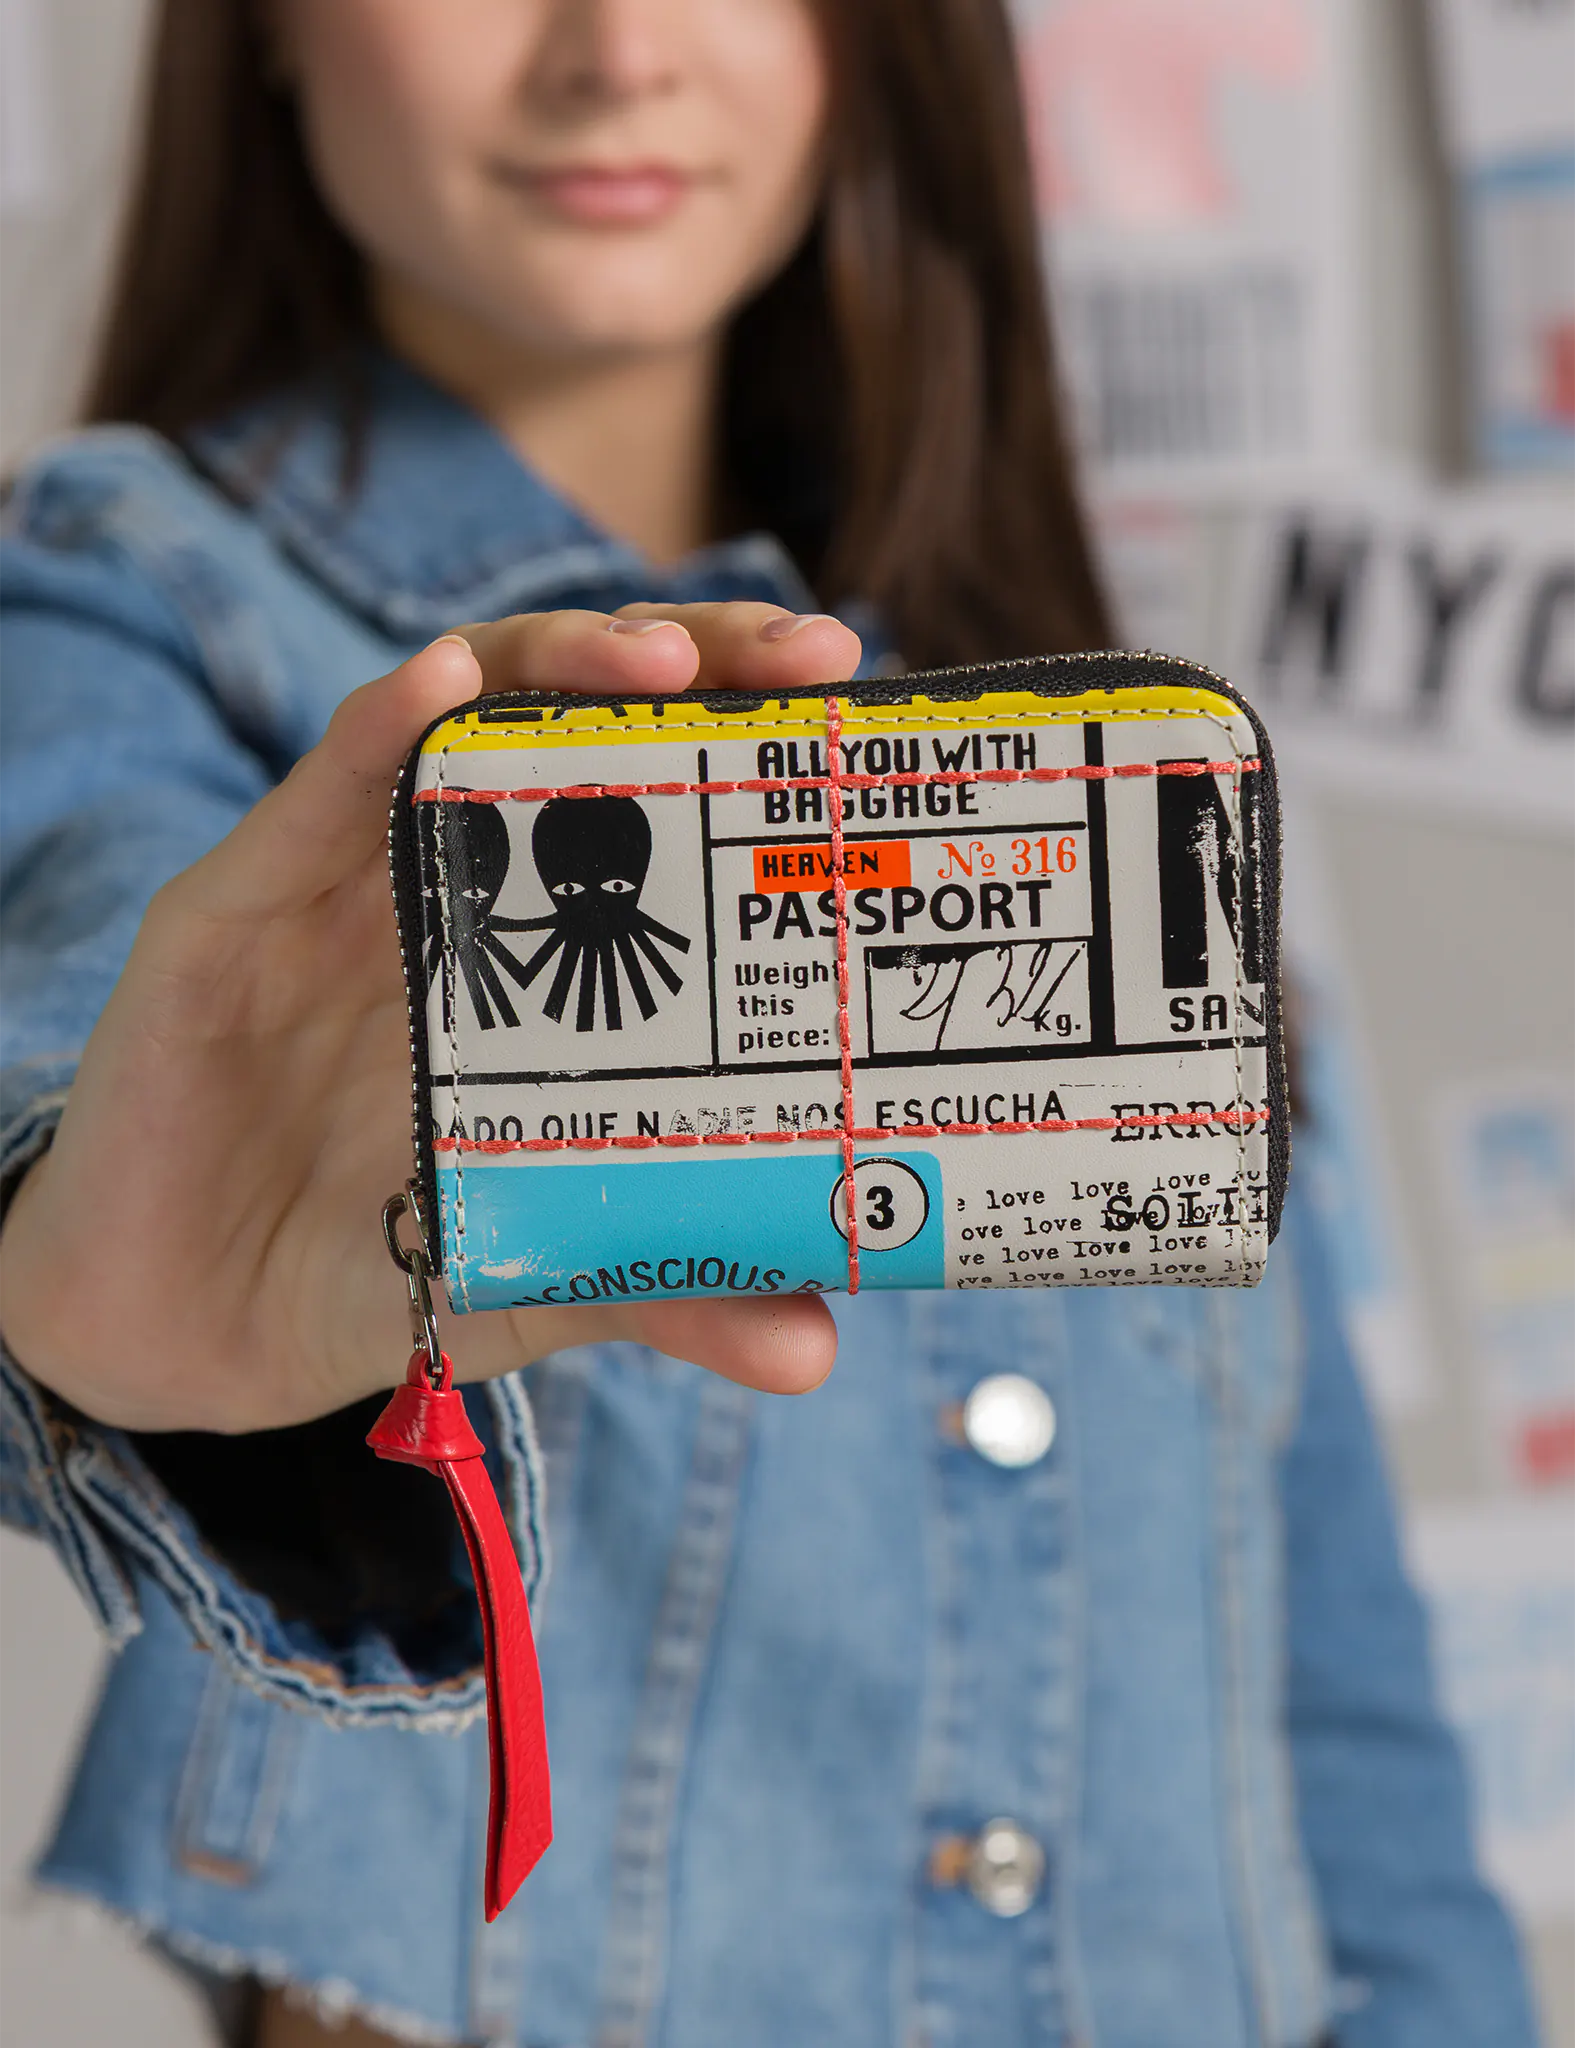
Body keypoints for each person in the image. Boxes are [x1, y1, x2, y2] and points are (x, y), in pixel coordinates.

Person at [0, 4, 1539, 2045]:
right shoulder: (130, 610)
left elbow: (1338, 1703)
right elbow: (86, 974)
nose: (617, 47)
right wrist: (94, 1258)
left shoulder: (1102, 775)